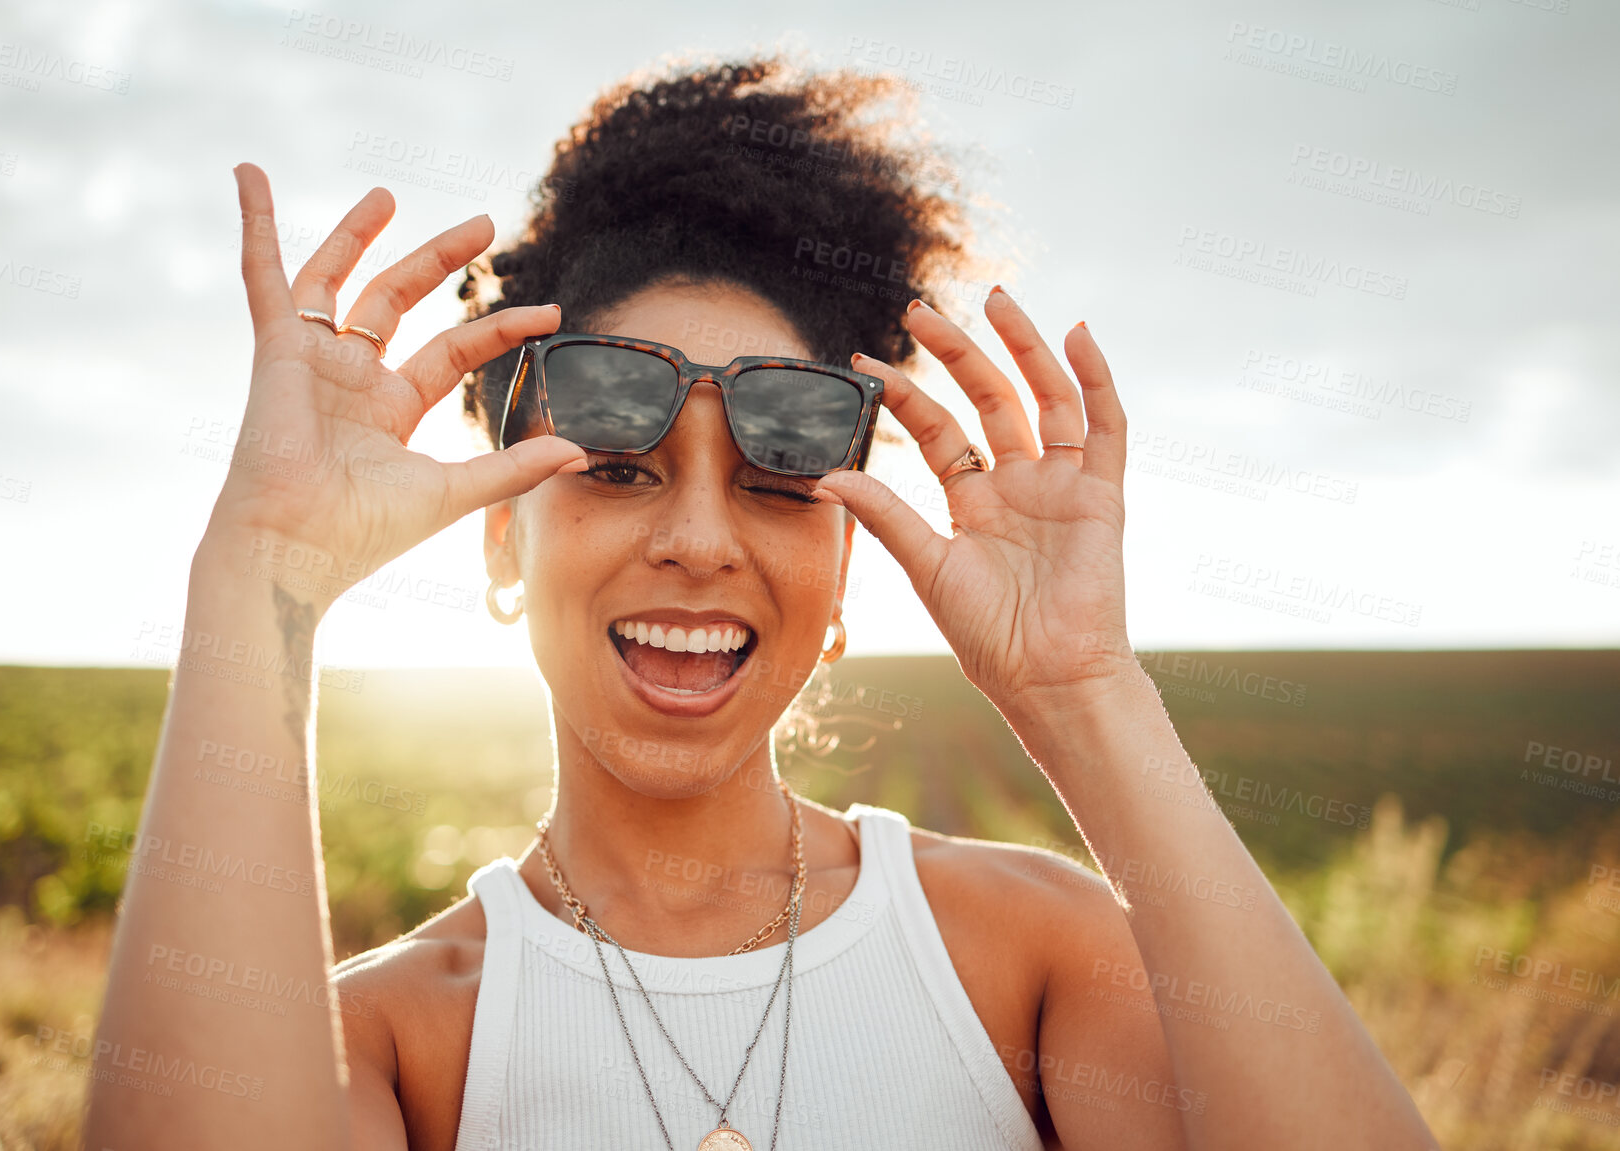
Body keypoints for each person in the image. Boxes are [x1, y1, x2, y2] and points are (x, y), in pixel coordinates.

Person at [86, 58, 1438, 1151]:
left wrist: (1084, 694)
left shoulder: (1025, 957)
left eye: (778, 481)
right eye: (615, 467)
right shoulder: (398, 1040)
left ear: (844, 565)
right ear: (503, 542)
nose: (694, 538)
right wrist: (262, 577)